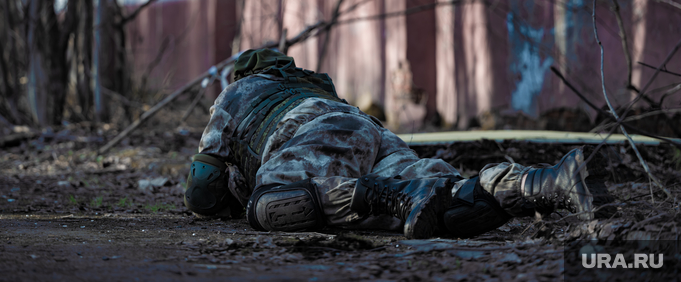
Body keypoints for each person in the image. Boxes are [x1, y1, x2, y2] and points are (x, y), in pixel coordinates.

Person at [183, 49, 597, 239]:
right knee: (447, 196)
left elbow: (201, 189)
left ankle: (401, 195)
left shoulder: (236, 93)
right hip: (367, 128)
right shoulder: (308, 85)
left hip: (311, 133)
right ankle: (546, 182)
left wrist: (229, 198)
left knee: (272, 202)